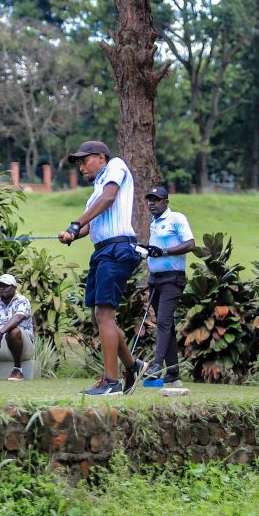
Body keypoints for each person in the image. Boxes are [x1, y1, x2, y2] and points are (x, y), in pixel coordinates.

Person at [59, 140, 146, 396]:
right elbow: (88, 225)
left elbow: (109, 199)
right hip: (102, 252)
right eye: (78, 163)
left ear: (100, 157)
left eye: (84, 161)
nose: (81, 167)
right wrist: (72, 234)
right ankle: (133, 365)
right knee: (100, 316)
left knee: (105, 315)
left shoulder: (115, 167)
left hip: (118, 249)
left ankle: (112, 382)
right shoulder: (96, 190)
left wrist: (76, 223)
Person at [142, 186, 196, 385]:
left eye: (156, 200)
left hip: (172, 279)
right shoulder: (154, 222)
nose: (152, 203)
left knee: (164, 321)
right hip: (155, 279)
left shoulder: (176, 219)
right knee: (167, 325)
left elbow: (190, 244)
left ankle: (156, 365)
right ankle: (173, 374)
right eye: (150, 199)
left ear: (166, 201)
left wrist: (163, 252)